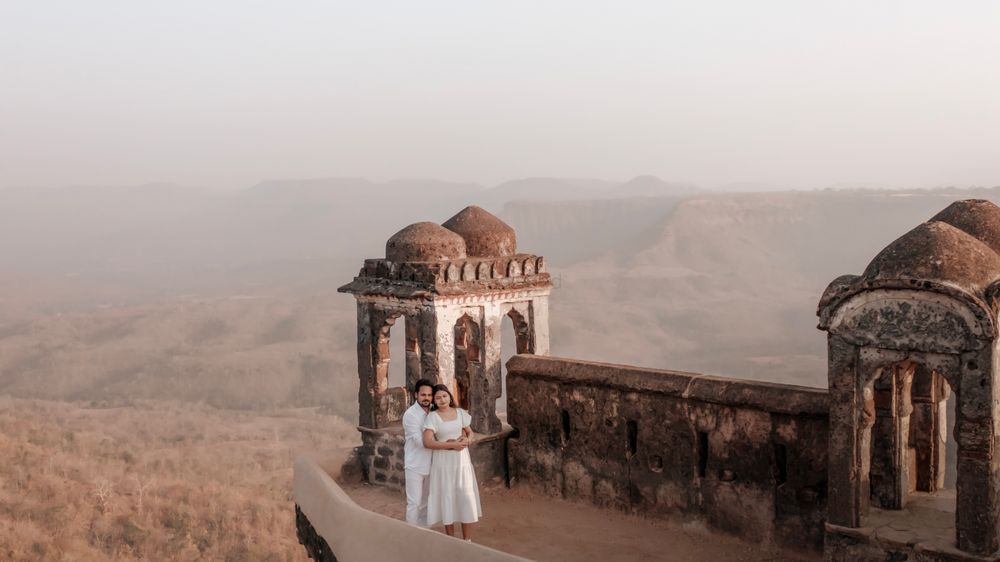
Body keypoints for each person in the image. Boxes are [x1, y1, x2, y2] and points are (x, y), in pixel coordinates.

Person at [422, 384, 482, 541]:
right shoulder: (432, 417)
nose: (442, 399)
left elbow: (470, 433)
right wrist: (451, 445)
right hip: (443, 463)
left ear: (450, 397)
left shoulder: (461, 413)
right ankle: (451, 540)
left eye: (444, 396)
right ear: (434, 401)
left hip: (461, 461)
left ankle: (467, 541)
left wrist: (467, 440)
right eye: (438, 397)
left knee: (464, 496)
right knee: (447, 496)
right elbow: (427, 442)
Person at [402, 379, 437, 527]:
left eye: (429, 395)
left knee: (427, 501)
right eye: (423, 395)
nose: (427, 398)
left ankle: (424, 532)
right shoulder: (410, 415)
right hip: (415, 464)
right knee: (414, 503)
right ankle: (411, 533)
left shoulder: (435, 411)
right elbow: (420, 442)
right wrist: (448, 445)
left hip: (433, 464)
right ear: (416, 395)